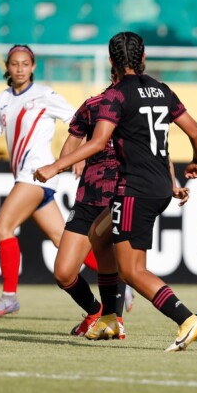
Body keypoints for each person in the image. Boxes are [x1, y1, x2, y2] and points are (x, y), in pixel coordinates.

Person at [34, 31, 197, 352]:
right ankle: (109, 317)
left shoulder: (115, 97)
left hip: (132, 189)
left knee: (133, 271)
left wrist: (54, 167)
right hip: (152, 187)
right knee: (99, 238)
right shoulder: (162, 90)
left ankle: (187, 319)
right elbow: (195, 131)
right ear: (143, 58)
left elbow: (99, 142)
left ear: (111, 61)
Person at [0, 44, 98, 319]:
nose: (20, 69)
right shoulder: (2, 99)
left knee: (2, 227)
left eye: (25, 64)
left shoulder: (44, 95)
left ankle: (9, 298)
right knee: (63, 240)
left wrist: (79, 157)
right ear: (7, 66)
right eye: (14, 64)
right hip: (27, 177)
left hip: (36, 173)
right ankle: (120, 276)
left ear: (33, 67)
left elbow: (81, 121)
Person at [54, 75, 130, 338]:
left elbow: (155, 151)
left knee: (117, 260)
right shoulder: (92, 105)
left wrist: (170, 182)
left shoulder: (137, 109)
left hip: (122, 196)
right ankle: (95, 311)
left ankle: (115, 320)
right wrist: (73, 158)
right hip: (88, 197)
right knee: (64, 273)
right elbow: (69, 148)